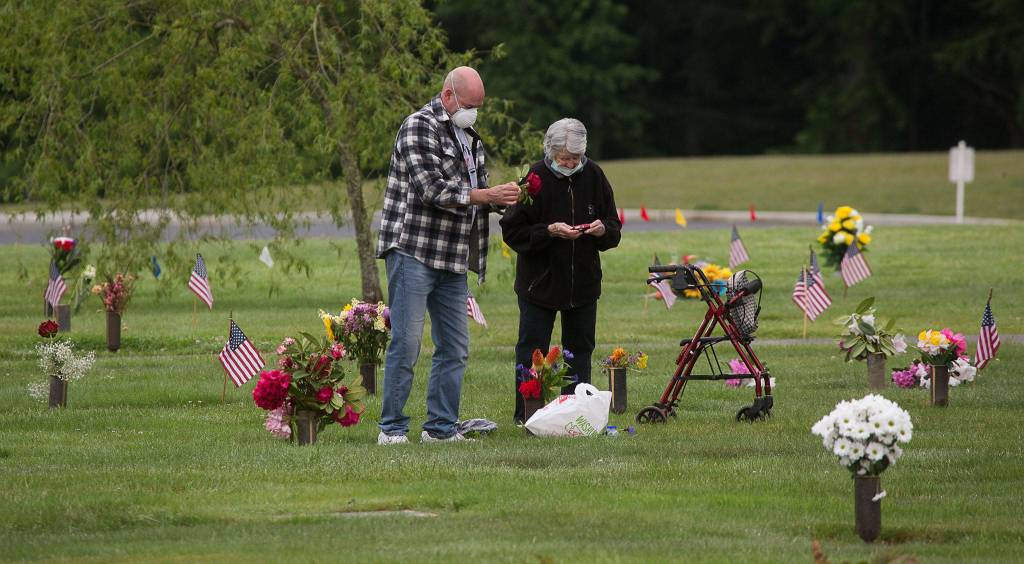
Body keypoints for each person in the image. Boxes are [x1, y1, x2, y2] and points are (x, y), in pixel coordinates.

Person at [375, 66, 520, 444]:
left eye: (478, 107)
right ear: (448, 96)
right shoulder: (417, 126)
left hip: (453, 256)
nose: (474, 112)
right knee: (406, 344)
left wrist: (507, 199)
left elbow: (477, 193)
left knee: (455, 347)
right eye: (470, 105)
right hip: (413, 250)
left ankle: (440, 429)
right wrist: (484, 195)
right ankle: (391, 430)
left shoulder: (469, 137)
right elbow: (432, 190)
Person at [499, 118, 622, 423]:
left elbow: (614, 229)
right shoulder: (534, 178)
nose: (569, 163)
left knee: (580, 349)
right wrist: (549, 231)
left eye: (575, 158)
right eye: (563, 158)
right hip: (538, 285)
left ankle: (577, 416)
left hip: (582, 284)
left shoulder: (594, 175)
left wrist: (600, 230)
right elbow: (512, 231)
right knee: (533, 351)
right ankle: (527, 415)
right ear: (550, 152)